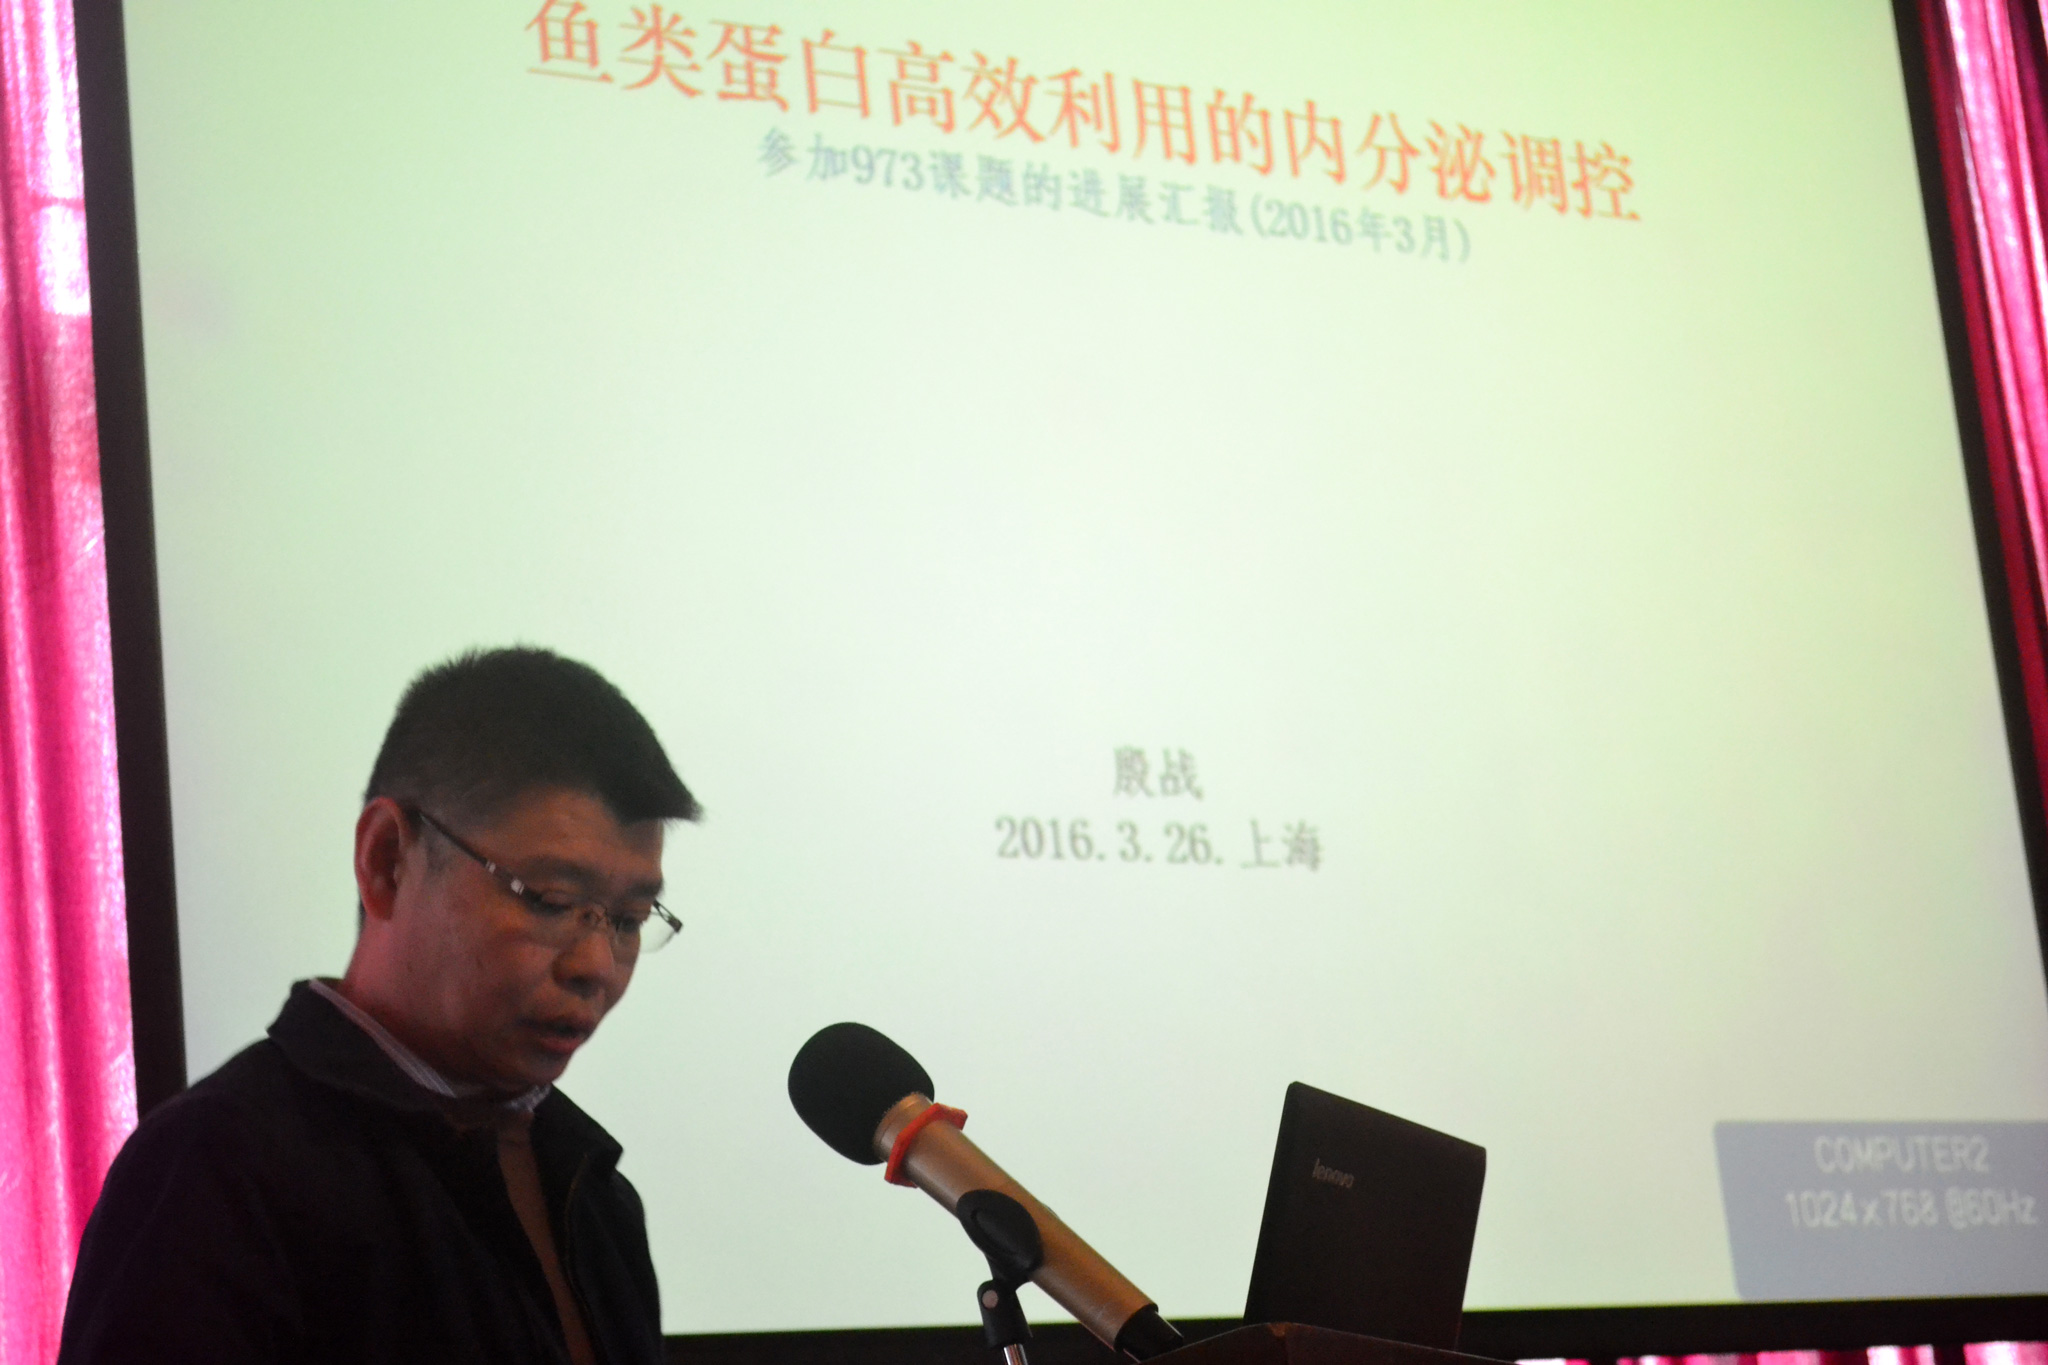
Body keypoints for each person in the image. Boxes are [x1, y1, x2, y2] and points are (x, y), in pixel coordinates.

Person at [59, 646, 700, 1365]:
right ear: (386, 860)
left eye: (629, 919)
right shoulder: (215, 1174)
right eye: (551, 900)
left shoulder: (599, 1199)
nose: (596, 967)